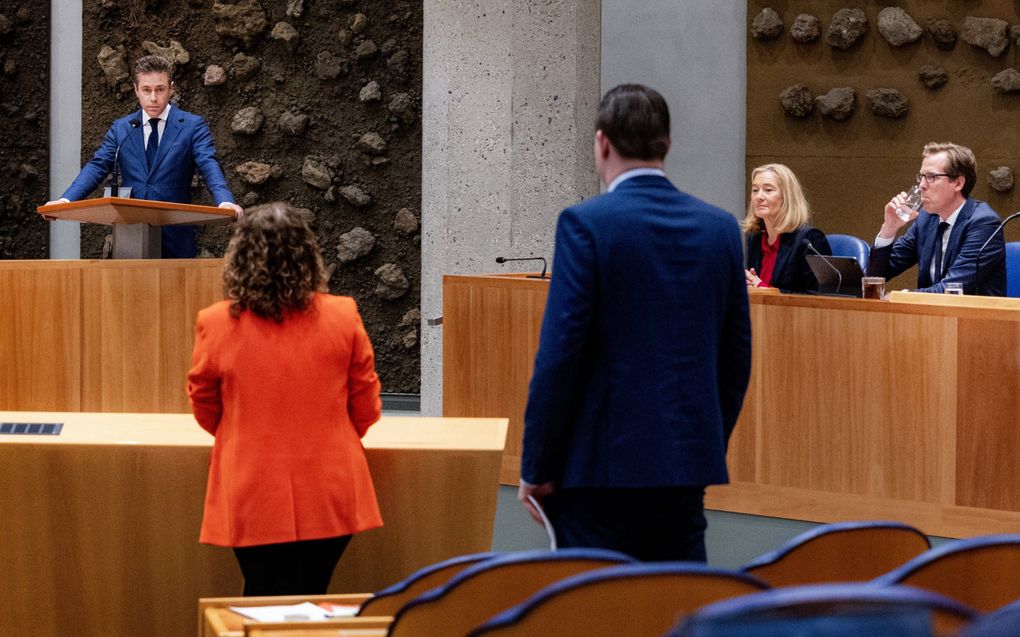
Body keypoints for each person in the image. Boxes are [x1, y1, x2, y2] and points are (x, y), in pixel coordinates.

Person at [518, 84, 752, 562]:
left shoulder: (586, 223)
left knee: (599, 614)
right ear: (667, 144)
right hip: (684, 464)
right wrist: (698, 442)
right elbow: (735, 357)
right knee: (675, 607)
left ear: (602, 144)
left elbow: (561, 353)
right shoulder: (720, 227)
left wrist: (537, 462)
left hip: (597, 468)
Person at [187, 202, 382, 596]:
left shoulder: (217, 321)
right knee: (312, 595)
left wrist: (239, 429)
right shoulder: (343, 315)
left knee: (262, 596)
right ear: (308, 255)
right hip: (330, 485)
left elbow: (204, 405)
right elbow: (366, 406)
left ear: (239, 258)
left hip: (251, 486)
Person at [46, 54, 242, 258]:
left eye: (160, 89)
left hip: (176, 235)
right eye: (146, 90)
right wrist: (66, 201)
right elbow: (97, 166)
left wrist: (224, 201)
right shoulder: (122, 128)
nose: (153, 98)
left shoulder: (192, 126)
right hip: (132, 236)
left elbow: (208, 163)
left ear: (171, 88)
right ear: (136, 90)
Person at [866, 142, 1006, 295]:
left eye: (931, 177)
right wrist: (889, 228)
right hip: (932, 316)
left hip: (972, 317)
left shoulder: (983, 223)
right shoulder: (926, 220)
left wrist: (899, 297)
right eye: (921, 176)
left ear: (958, 183)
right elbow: (874, 278)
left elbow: (952, 290)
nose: (921, 185)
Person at [743, 163, 831, 293]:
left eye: (768, 190)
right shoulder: (755, 238)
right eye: (755, 190)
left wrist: (763, 289)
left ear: (786, 197)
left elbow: (818, 296)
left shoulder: (809, 239)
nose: (759, 197)